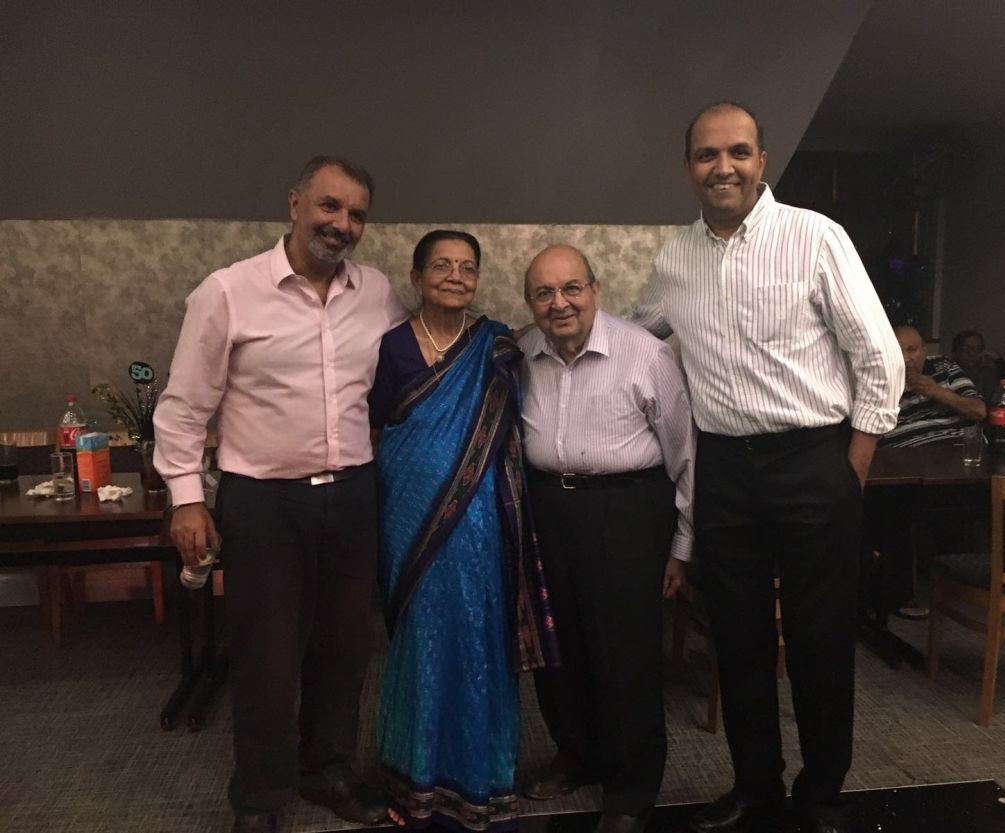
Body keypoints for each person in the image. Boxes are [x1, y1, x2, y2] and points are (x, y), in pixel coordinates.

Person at [631, 102, 903, 833]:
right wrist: (551, 333)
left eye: (738, 152)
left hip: (815, 459)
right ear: (688, 165)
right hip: (724, 468)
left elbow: (880, 356)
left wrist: (853, 465)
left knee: (818, 639)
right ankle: (755, 786)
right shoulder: (673, 259)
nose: (723, 167)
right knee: (739, 638)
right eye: (707, 154)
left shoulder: (815, 237)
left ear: (762, 159)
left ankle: (821, 796)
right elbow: (636, 332)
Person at [154, 156, 408, 833]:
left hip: (354, 495)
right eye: (329, 206)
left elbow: (402, 383)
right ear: (295, 204)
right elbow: (183, 407)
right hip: (263, 502)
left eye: (356, 214)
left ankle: (326, 769)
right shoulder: (228, 292)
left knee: (344, 649)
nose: (342, 223)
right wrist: (185, 496)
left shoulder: (377, 292)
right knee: (266, 657)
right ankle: (260, 798)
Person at [369, 230, 558, 833]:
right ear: (418, 276)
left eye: (467, 267)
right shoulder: (392, 347)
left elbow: (512, 434)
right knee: (423, 637)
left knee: (477, 634)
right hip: (409, 519)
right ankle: (415, 775)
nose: (456, 275)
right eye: (442, 266)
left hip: (480, 521)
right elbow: (382, 428)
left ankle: (480, 779)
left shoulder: (497, 345)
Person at [517, 245, 695, 833]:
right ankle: (576, 756)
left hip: (626, 512)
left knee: (627, 657)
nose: (559, 303)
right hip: (548, 511)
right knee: (557, 649)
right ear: (530, 303)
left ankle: (630, 788)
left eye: (571, 288)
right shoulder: (521, 354)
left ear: (595, 290)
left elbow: (686, 457)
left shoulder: (645, 355)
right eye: (544, 293)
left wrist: (682, 545)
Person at [881, 325, 986, 448]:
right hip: (907, 454)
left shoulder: (943, 366)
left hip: (960, 448)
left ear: (924, 350)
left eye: (911, 350)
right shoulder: (879, 379)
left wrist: (936, 391)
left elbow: (979, 411)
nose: (905, 359)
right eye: (896, 352)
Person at [951, 329, 1005, 398]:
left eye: (977, 349)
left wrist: (999, 362)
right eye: (966, 348)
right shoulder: (946, 372)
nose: (972, 353)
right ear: (955, 350)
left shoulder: (987, 373)